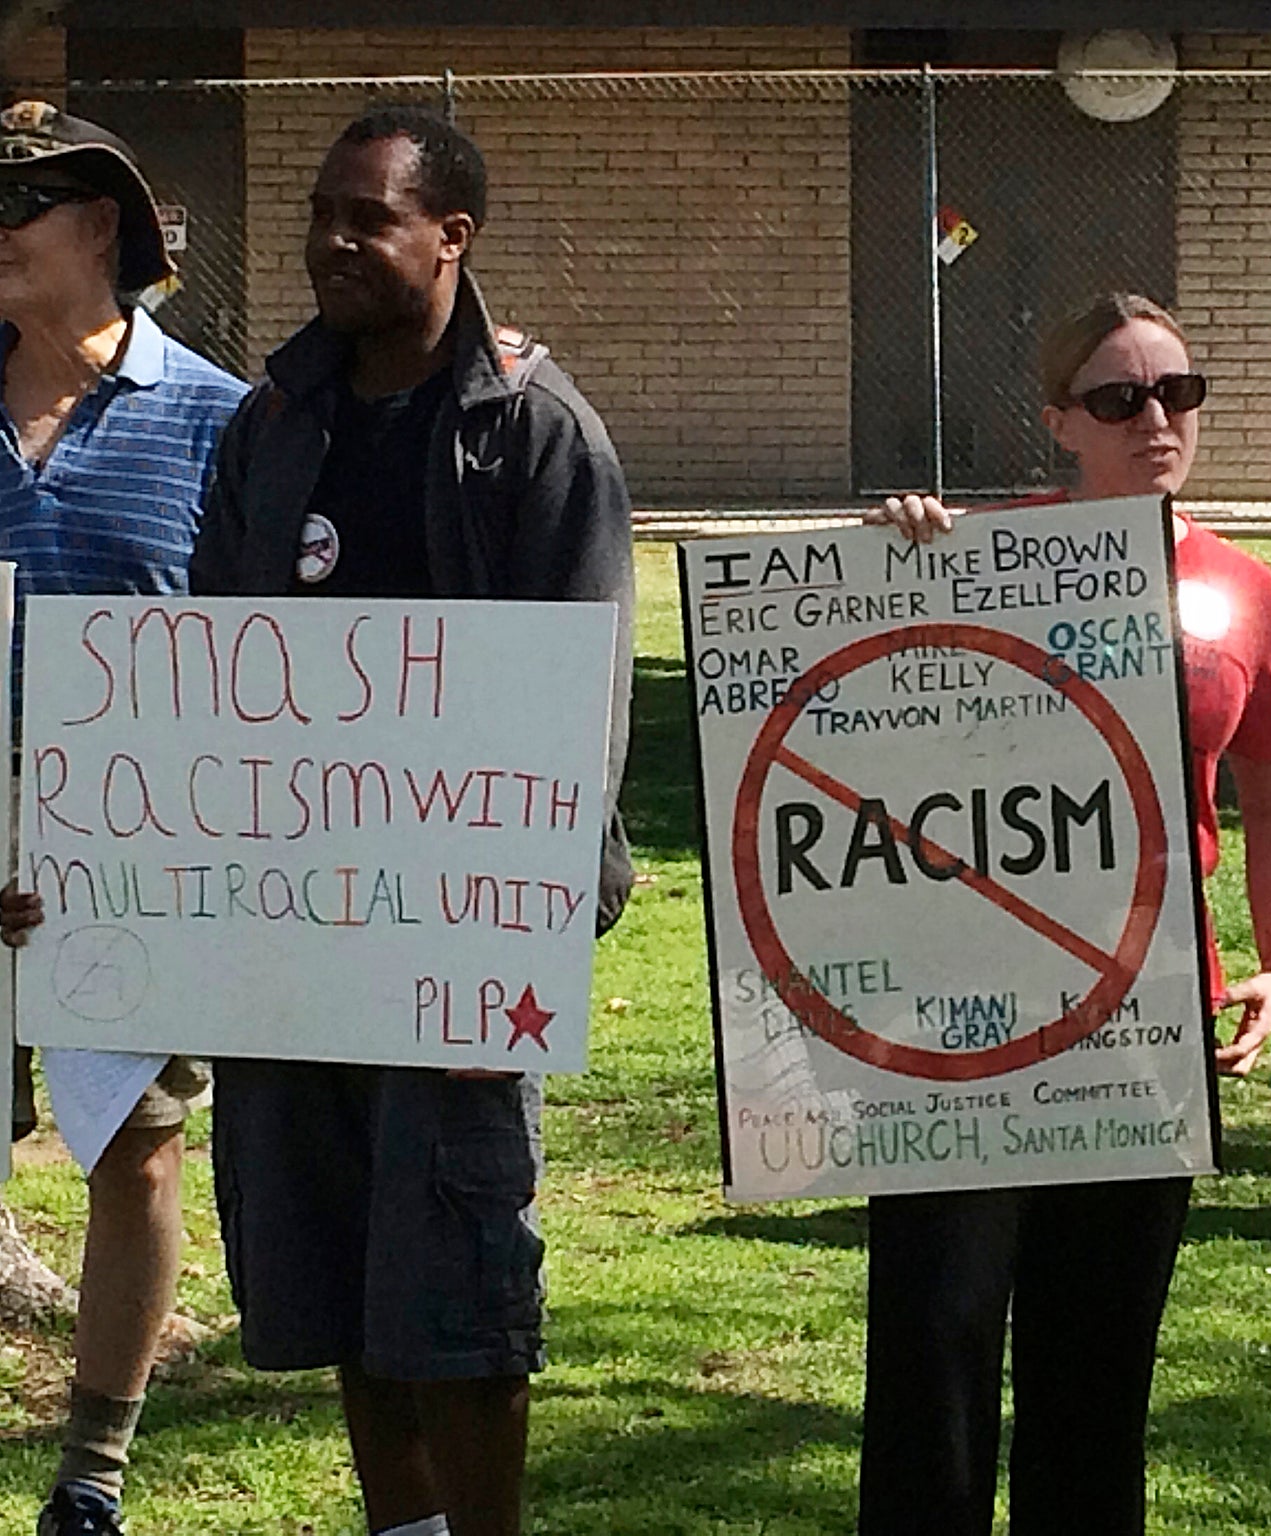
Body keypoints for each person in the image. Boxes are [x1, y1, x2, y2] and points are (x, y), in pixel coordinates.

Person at [187, 106, 634, 1536]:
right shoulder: (272, 425)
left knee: (461, 1289)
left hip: (457, 953)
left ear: (454, 236)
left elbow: (584, 705)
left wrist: (530, 922)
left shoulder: (532, 431)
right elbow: (203, 676)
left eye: (366, 217)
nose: (332, 240)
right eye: (322, 211)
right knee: (336, 1289)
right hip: (293, 946)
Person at [859, 291, 1271, 1535]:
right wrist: (889, 559)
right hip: (958, 1011)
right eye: (1118, 398)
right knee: (933, 1355)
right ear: (1059, 420)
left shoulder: (1245, 593)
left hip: (1148, 1020)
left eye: (1178, 392)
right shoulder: (964, 563)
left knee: (1096, 1378)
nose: (1156, 419)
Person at [0, 100, 247, 1536]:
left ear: (100, 229)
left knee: (137, 1146)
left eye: (9, 211)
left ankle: (92, 1467)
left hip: (134, 867)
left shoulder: (223, 420)